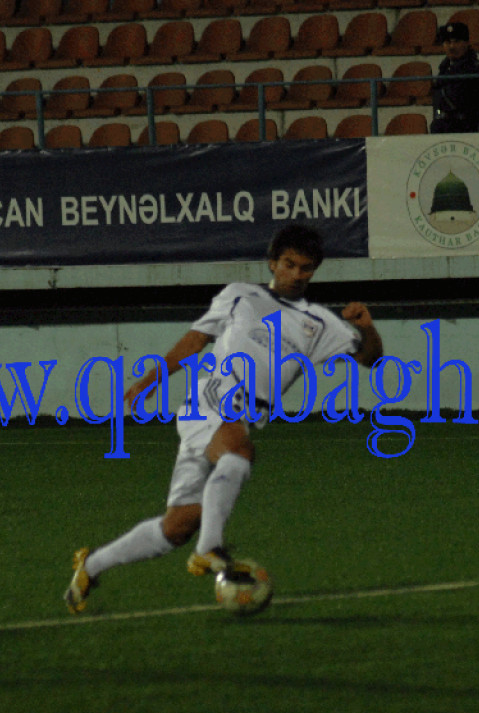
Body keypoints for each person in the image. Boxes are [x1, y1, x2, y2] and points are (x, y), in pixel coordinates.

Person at [64, 224, 383, 612]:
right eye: (289, 264)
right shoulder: (240, 294)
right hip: (212, 401)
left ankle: (90, 566)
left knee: (177, 526)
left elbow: (370, 358)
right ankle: (209, 548)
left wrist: (366, 327)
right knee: (239, 452)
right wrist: (151, 378)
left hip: (241, 416)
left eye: (306, 268)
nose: (297, 274)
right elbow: (196, 339)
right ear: (273, 263)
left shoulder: (319, 322)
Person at [430, 21, 479, 134]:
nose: (452, 47)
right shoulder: (443, 70)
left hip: (467, 130)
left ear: (467, 43)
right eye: (447, 42)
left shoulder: (478, 70)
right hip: (443, 129)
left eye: (457, 42)